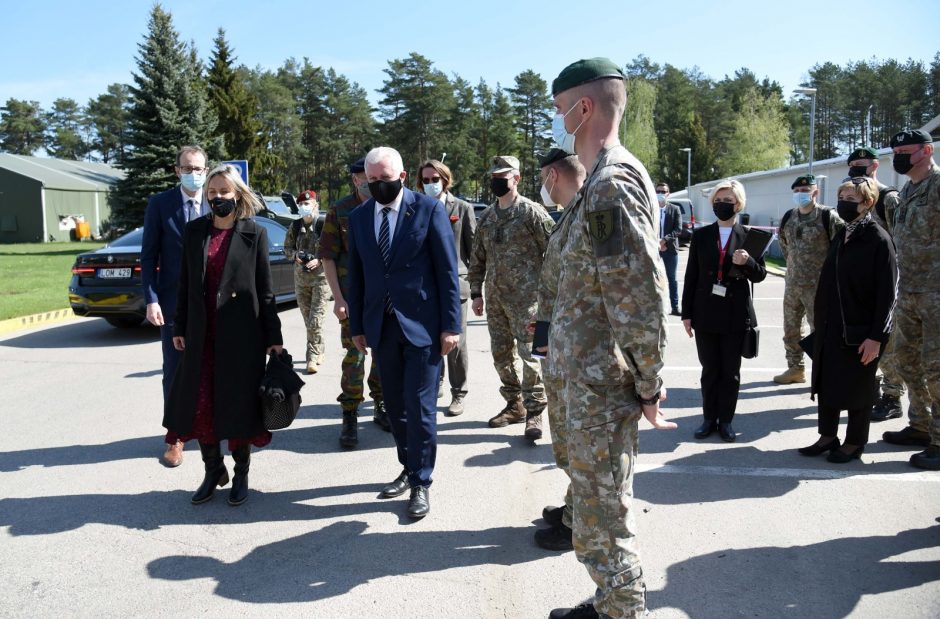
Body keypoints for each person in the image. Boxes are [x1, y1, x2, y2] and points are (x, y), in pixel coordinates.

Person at [547, 57, 677, 619]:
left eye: (558, 111)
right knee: (595, 507)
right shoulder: (601, 180)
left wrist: (649, 382)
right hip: (590, 378)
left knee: (603, 514)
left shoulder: (611, 184)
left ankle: (623, 609)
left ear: (584, 108)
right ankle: (611, 602)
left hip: (602, 384)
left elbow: (638, 294)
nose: (555, 124)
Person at [346, 146, 461, 518]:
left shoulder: (428, 210)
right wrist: (358, 327)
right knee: (395, 407)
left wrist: (451, 326)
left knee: (421, 407)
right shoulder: (361, 216)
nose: (378, 185)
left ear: (402, 174)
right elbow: (359, 274)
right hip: (382, 328)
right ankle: (409, 466)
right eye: (372, 180)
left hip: (424, 328)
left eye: (385, 178)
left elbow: (446, 272)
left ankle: (422, 482)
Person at [163, 164, 283, 506]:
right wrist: (180, 325)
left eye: (224, 192)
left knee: (239, 405)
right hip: (202, 335)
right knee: (201, 405)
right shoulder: (195, 232)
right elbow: (185, 284)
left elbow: (266, 291)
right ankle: (212, 468)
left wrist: (273, 336)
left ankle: (241, 472)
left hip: (242, 336)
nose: (217, 198)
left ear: (238, 195)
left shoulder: (254, 234)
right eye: (212, 193)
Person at [800, 178, 897, 463]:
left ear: (867, 203)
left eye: (850, 197)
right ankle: (828, 436)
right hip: (831, 327)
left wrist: (876, 337)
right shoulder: (842, 234)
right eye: (841, 195)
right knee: (827, 382)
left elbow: (889, 293)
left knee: (859, 388)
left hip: (862, 332)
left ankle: (855, 442)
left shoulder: (878, 238)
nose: (843, 201)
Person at [468, 155, 553, 440]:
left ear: (516, 178)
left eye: (502, 176)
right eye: (493, 176)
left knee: (533, 355)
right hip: (496, 301)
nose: (496, 181)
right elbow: (477, 258)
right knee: (502, 355)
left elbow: (554, 254)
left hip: (532, 302)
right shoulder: (489, 217)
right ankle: (514, 404)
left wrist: (552, 296)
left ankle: (535, 411)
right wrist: (476, 292)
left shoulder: (532, 212)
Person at [682, 179, 767, 443]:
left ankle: (726, 421)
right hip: (705, 311)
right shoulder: (702, 235)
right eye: (718, 201)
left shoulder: (750, 236)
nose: (722, 205)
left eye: (728, 201)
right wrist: (686, 314)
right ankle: (709, 419)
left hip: (734, 313)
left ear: (738, 204)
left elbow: (761, 275)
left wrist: (748, 262)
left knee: (730, 372)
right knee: (710, 370)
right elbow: (691, 275)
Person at [141, 144, 208, 468]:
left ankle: (215, 428)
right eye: (188, 168)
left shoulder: (217, 200)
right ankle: (176, 436)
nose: (194, 174)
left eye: (199, 169)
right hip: (173, 306)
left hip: (214, 303)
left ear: (206, 170)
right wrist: (151, 300)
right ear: (177, 170)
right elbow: (149, 255)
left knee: (216, 366)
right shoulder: (160, 204)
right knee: (176, 371)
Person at [532, 147, 585, 553]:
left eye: (542, 177)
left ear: (553, 175)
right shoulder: (567, 213)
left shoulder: (586, 213)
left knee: (576, 445)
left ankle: (578, 524)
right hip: (557, 342)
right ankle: (573, 507)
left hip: (579, 353)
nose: (542, 186)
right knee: (565, 442)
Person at [881, 128, 940, 471]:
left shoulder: (937, 185)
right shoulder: (908, 189)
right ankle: (919, 425)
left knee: (937, 369)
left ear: (926, 151)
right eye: (896, 151)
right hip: (909, 291)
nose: (899, 156)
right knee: (907, 362)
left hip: (935, 293)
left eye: (906, 150)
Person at [317, 158, 385, 448]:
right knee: (355, 357)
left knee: (382, 353)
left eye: (370, 177)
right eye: (361, 178)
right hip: (352, 299)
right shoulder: (340, 210)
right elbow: (327, 256)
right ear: (355, 181)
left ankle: (381, 404)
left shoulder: (386, 205)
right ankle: (349, 414)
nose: (367, 183)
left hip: (382, 298)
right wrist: (338, 298)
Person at [845, 146, 906, 422]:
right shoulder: (853, 200)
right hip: (863, 285)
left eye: (862, 164)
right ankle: (872, 391)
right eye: (853, 164)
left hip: (889, 279)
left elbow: (901, 239)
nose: (857, 168)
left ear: (874, 166)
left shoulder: (888, 198)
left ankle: (892, 397)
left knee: (889, 342)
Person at [415, 159, 476, 416]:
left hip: (455, 286)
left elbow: (474, 250)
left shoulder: (461, 208)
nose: (430, 184)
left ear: (445, 180)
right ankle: (435, 381)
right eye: (426, 181)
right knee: (429, 340)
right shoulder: (416, 208)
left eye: (434, 179)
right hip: (426, 288)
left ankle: (458, 393)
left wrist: (477, 289)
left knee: (455, 343)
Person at [774, 174, 843, 385]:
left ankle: (824, 371)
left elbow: (840, 248)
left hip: (820, 287)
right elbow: (785, 245)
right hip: (793, 284)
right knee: (791, 329)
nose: (800, 195)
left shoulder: (828, 216)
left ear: (815, 192)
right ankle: (795, 368)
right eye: (797, 191)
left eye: (805, 191)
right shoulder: (789, 217)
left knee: (821, 331)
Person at [284, 189, 331, 374]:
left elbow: (333, 248)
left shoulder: (323, 224)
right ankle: (320, 349)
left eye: (307, 204)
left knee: (315, 320)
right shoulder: (295, 227)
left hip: (320, 280)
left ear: (315, 205)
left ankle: (311, 357)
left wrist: (318, 259)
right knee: (308, 320)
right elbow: (287, 248)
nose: (304, 207)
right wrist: (295, 255)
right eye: (301, 204)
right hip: (301, 280)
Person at [656, 182, 683, 316]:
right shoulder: (651, 208)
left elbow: (678, 229)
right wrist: (657, 243)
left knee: (671, 279)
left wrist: (665, 240)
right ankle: (655, 307)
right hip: (654, 248)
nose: (661, 194)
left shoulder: (675, 209)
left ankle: (675, 306)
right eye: (658, 191)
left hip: (670, 249)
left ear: (668, 193)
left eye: (663, 191)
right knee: (652, 278)